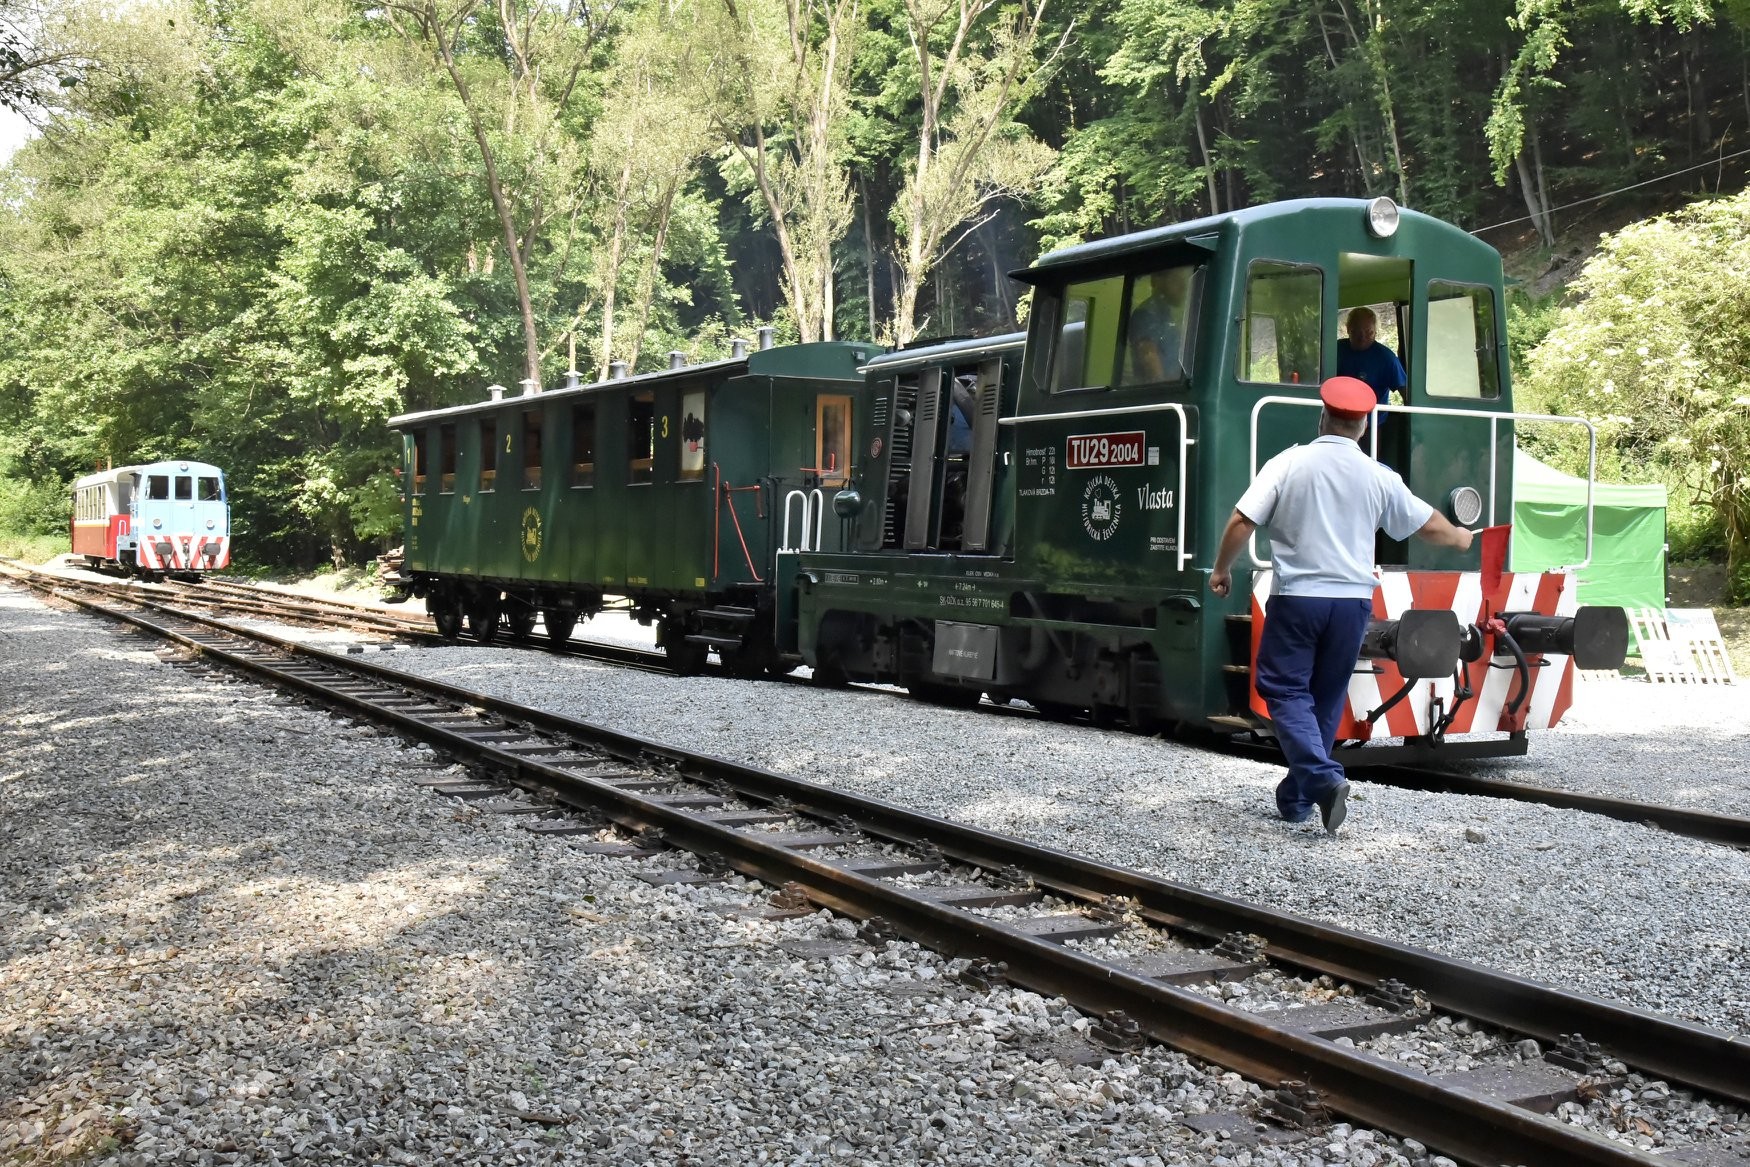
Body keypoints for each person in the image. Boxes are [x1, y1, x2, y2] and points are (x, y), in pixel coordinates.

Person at [1208, 375, 1473, 835]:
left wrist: (1220, 570)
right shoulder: (1377, 475)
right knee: (1325, 702)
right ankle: (1296, 801)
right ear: (1365, 426)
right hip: (1353, 604)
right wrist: (1460, 536)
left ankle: (1325, 779)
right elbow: (1426, 523)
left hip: (1299, 600)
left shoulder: (1289, 463)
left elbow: (1241, 519)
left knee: (1283, 688)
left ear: (1322, 416)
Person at [1127, 266, 1192, 383]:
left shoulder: (1166, 314)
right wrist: (1169, 393)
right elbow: (1149, 357)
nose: (1183, 287)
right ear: (1157, 281)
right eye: (1176, 280)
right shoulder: (1146, 315)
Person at [1336, 307, 1406, 408]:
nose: (1362, 337)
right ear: (1347, 329)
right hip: (1337, 415)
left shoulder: (1386, 358)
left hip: (1373, 420)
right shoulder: (1336, 349)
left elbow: (1406, 393)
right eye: (1356, 331)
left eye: (1369, 332)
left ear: (1375, 332)